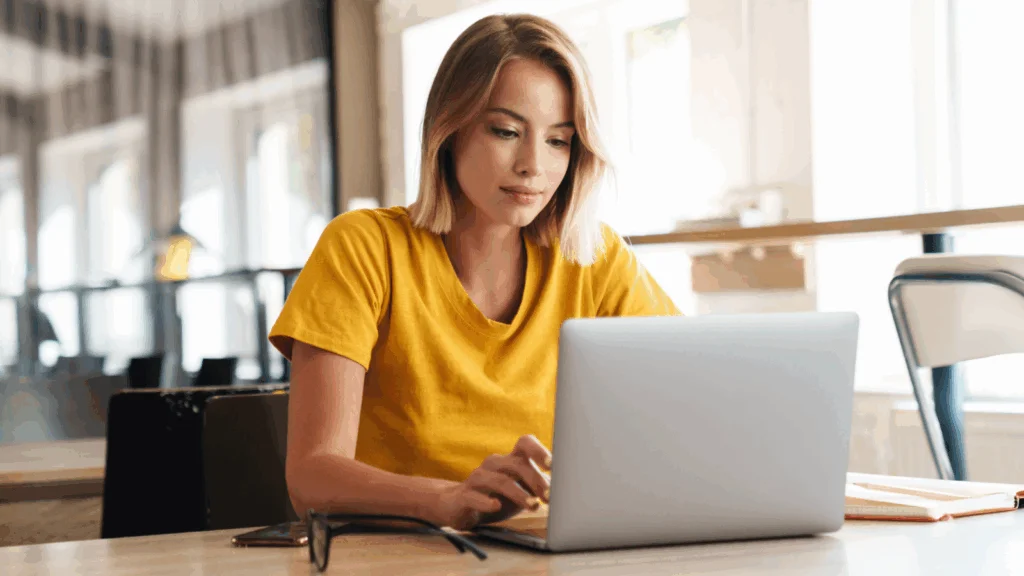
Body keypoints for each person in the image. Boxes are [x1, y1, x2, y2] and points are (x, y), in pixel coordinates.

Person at [268, 13, 680, 531]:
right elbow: (311, 479)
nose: (533, 165)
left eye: (558, 140)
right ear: (449, 129)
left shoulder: (595, 259)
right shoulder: (364, 247)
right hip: (401, 556)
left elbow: (690, 403)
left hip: (547, 554)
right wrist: (443, 499)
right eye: (506, 131)